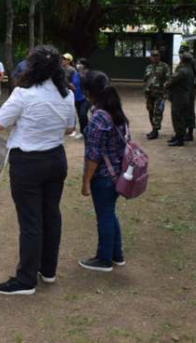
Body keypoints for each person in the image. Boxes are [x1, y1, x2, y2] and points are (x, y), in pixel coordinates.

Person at [0, 45, 76, 295]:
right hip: (56, 159)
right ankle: (48, 270)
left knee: (31, 221)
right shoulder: (66, 95)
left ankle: (26, 280)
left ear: (33, 66)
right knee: (51, 215)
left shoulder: (23, 93)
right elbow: (70, 129)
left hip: (28, 162)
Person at [79, 70, 128, 272]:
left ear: (89, 92)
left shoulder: (99, 117)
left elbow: (94, 155)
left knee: (105, 216)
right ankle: (116, 255)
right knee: (110, 213)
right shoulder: (115, 111)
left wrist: (85, 182)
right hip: (117, 173)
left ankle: (104, 259)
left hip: (104, 177)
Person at [165, 52, 195, 147]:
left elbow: (171, 82)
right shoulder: (190, 70)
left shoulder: (182, 71)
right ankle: (178, 136)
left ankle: (179, 139)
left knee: (177, 117)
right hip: (185, 96)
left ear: (182, 60)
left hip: (179, 97)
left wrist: (165, 85)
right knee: (181, 117)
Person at [142, 49, 170, 140]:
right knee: (150, 111)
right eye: (153, 56)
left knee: (157, 112)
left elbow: (168, 79)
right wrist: (145, 90)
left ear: (159, 56)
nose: (155, 57)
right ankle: (153, 128)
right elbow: (145, 80)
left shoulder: (164, 66)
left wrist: (165, 92)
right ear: (150, 57)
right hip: (149, 93)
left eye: (157, 55)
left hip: (159, 94)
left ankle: (155, 131)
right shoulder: (148, 67)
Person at [179, 43, 196, 141]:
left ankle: (190, 133)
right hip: (183, 90)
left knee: (190, 111)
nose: (180, 54)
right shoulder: (184, 61)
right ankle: (183, 131)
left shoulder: (191, 61)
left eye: (181, 52)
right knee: (183, 111)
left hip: (188, 90)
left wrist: (195, 86)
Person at [72, 58, 91, 138]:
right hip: (76, 97)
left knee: (82, 114)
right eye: (77, 63)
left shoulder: (88, 73)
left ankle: (88, 131)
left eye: (80, 63)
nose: (78, 65)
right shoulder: (75, 74)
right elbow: (73, 83)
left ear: (84, 65)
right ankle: (83, 132)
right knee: (80, 116)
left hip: (85, 98)